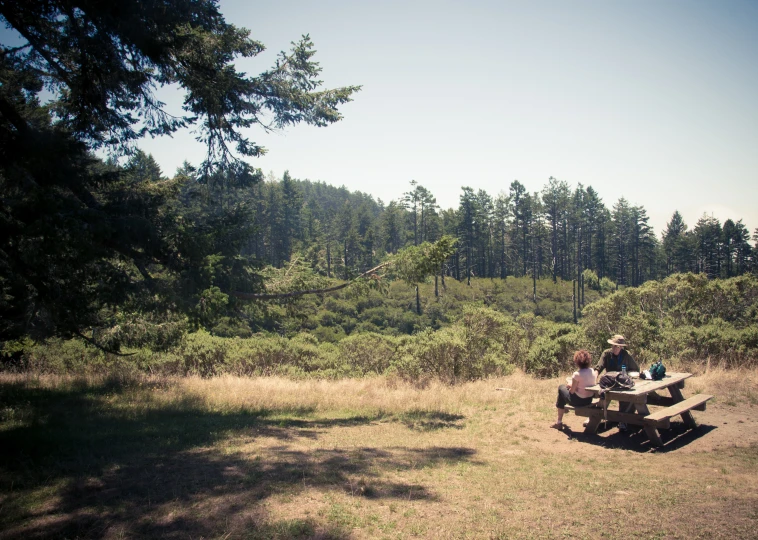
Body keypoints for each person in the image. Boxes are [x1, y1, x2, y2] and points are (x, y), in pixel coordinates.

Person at [594, 334, 639, 431]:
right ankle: (593, 418)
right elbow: (599, 367)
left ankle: (623, 420)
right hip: (609, 383)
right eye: (613, 345)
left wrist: (627, 375)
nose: (614, 348)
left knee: (626, 398)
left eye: (617, 346)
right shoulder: (606, 354)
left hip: (622, 383)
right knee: (601, 394)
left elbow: (636, 369)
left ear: (621, 347)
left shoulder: (626, 355)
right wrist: (595, 375)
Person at [552, 349, 597, 430]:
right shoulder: (592, 371)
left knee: (561, 388)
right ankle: (562, 409)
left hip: (578, 401)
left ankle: (559, 421)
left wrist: (570, 385)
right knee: (562, 394)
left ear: (577, 362)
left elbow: (572, 392)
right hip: (589, 399)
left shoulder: (577, 374)